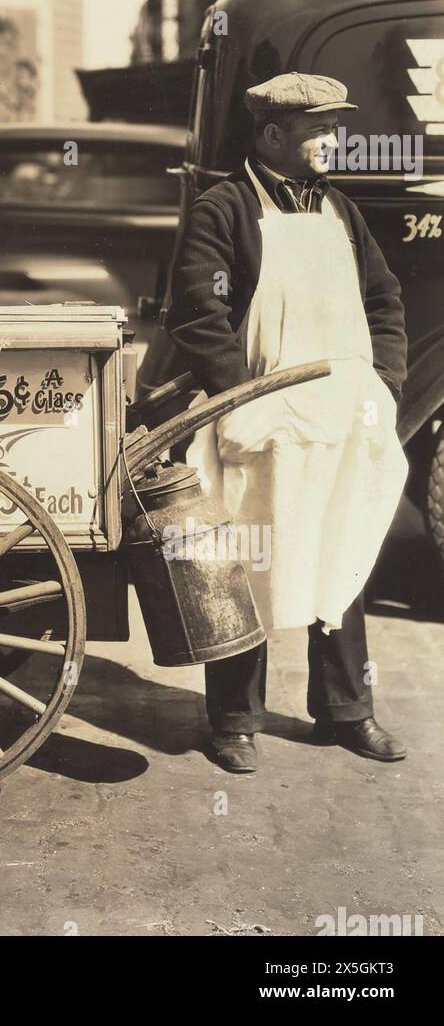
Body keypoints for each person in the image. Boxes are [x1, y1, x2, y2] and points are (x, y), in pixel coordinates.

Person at [166, 72, 408, 773]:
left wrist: (384, 382)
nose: (334, 143)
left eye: (335, 129)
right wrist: (242, 397)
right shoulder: (224, 208)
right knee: (249, 563)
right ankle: (234, 721)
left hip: (338, 417)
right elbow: (197, 313)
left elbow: (383, 299)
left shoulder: (340, 212)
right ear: (274, 135)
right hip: (260, 423)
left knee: (343, 551)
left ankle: (345, 712)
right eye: (320, 132)